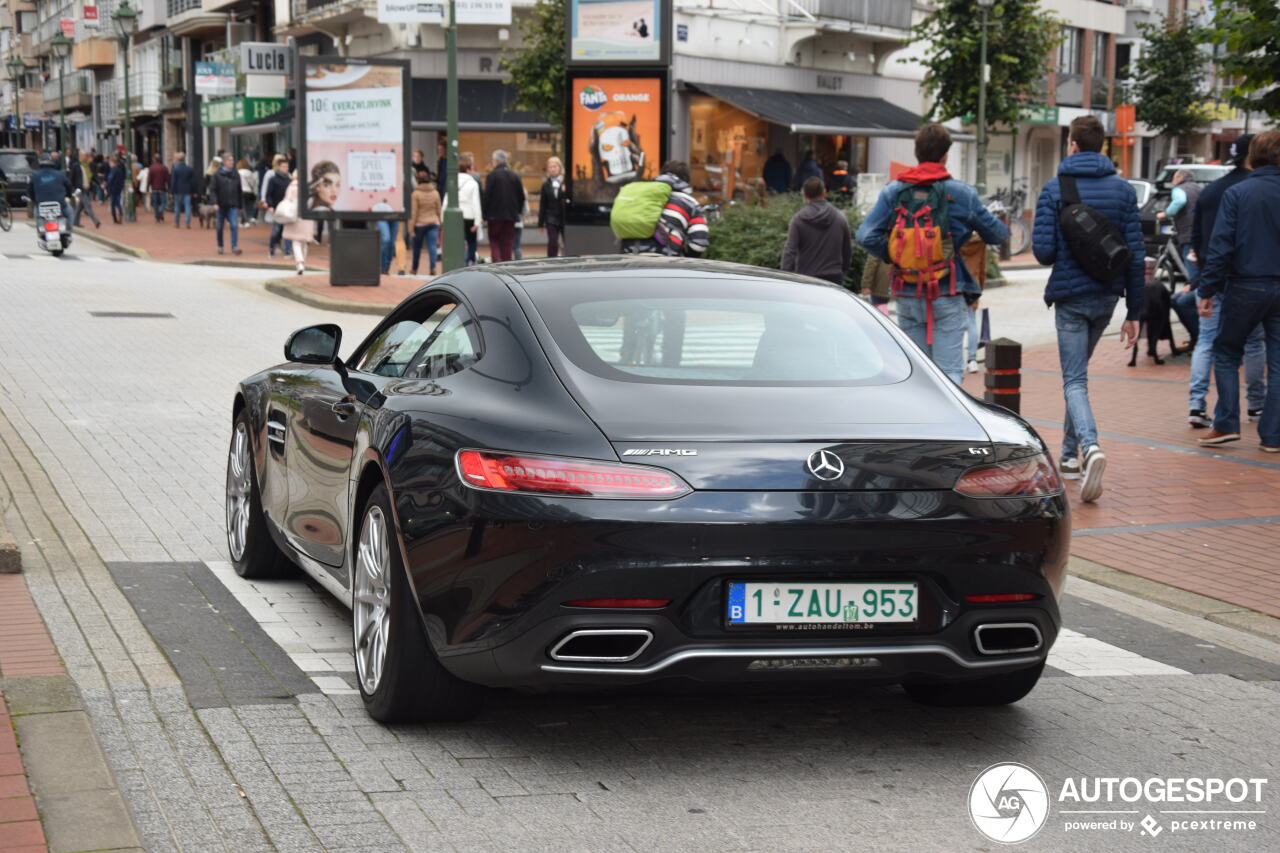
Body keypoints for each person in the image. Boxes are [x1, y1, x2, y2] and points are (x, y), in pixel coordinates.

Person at [1030, 114, 1144, 501]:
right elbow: (1134, 252)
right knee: (1076, 378)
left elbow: (1043, 252)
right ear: (1103, 146)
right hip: (1106, 297)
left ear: (1073, 145)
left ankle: (1090, 447)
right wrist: (1135, 312)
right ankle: (1067, 458)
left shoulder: (1054, 188)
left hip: (1070, 298)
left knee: (1074, 380)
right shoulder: (1124, 191)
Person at [856, 124, 1008, 385]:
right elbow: (999, 235)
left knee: (918, 375)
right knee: (948, 372)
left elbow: (865, 235)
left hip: (906, 290)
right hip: (946, 290)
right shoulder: (962, 193)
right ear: (945, 155)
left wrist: (896, 256)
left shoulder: (894, 192)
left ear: (917, 153)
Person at [1195, 130, 1280, 452]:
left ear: (1252, 157)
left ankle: (1226, 423)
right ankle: (1273, 436)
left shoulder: (1239, 193)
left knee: (1227, 352)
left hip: (1246, 284)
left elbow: (1221, 245)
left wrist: (1208, 288)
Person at [1186, 135, 1265, 429]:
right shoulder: (1252, 190)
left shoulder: (1211, 191)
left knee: (1206, 341)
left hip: (1211, 276)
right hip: (1245, 278)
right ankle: (1256, 404)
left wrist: (1204, 278)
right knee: (1253, 343)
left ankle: (1196, 405)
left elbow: (1195, 236)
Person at [619, 160, 710, 257]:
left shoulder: (641, 195)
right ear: (686, 180)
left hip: (630, 257)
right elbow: (699, 244)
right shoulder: (689, 202)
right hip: (665, 263)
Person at [1158, 169, 1203, 345]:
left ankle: (1198, 335)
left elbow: (1180, 201)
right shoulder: (1199, 189)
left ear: (1180, 178)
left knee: (1192, 283)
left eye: (1174, 177)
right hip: (1200, 237)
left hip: (1188, 237)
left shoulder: (1180, 189)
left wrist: (1165, 213)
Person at [780, 176, 851, 285]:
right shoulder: (839, 217)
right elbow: (847, 249)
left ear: (804, 195)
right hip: (834, 277)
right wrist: (844, 270)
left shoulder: (798, 219)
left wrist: (783, 274)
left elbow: (790, 250)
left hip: (806, 277)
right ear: (824, 192)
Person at [483, 149, 524, 262]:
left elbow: (487, 197)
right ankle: (506, 264)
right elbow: (521, 196)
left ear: (495, 161)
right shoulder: (515, 176)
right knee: (507, 242)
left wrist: (485, 214)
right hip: (510, 216)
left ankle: (497, 264)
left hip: (494, 216)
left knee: (494, 240)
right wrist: (518, 212)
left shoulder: (491, 176)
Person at [30, 154, 74, 233]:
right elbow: (69, 185)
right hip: (59, 204)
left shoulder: (35, 175)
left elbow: (30, 190)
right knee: (70, 213)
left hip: (41, 205)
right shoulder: (59, 174)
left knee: (37, 214)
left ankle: (41, 230)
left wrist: (34, 200)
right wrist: (69, 195)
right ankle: (69, 231)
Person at [281, 173, 313, 275]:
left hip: (293, 215)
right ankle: (303, 261)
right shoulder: (309, 187)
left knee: (296, 241)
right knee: (304, 240)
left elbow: (286, 200)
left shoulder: (291, 186)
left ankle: (299, 263)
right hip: (307, 215)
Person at [211, 154, 243, 255]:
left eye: (232, 160)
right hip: (220, 205)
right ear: (224, 162)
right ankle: (220, 246)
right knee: (220, 226)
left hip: (232, 205)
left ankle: (234, 246)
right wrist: (215, 203)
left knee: (234, 225)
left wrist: (240, 205)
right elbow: (212, 190)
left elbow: (239, 190)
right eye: (230, 161)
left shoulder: (235, 174)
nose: (232, 162)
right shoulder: (217, 174)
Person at [409, 173, 441, 275]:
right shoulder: (435, 193)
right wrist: (440, 222)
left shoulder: (415, 194)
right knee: (432, 246)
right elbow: (439, 210)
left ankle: (414, 269)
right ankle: (433, 268)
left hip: (420, 224)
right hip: (433, 222)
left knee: (417, 248)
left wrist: (410, 229)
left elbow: (413, 212)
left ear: (418, 181)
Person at [455, 152, 483, 265]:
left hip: (457, 216)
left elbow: (446, 199)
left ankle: (462, 262)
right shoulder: (473, 183)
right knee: (471, 242)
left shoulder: (452, 180)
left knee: (459, 241)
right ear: (468, 169)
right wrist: (477, 221)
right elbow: (476, 203)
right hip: (469, 216)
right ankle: (468, 262)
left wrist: (443, 217)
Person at [538, 156, 567, 258]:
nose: (552, 169)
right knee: (553, 242)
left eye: (554, 166)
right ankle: (551, 261)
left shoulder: (566, 182)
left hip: (565, 217)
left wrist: (564, 191)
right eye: (550, 167)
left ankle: (570, 262)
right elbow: (543, 204)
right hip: (551, 218)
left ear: (559, 168)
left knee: (568, 242)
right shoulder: (545, 185)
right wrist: (540, 223)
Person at [263, 155, 292, 257]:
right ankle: (272, 248)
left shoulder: (289, 180)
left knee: (288, 229)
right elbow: (269, 194)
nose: (286, 169)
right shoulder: (273, 179)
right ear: (279, 167)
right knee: (276, 230)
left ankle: (287, 250)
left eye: (287, 167)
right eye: (284, 166)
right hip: (277, 208)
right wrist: (270, 206)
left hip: (287, 208)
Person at [71, 151, 101, 229]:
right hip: (79, 189)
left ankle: (75, 222)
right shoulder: (76, 166)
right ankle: (96, 221)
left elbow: (92, 176)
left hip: (87, 189)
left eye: (87, 156)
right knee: (88, 206)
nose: (87, 158)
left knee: (80, 207)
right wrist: (72, 189)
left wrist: (99, 183)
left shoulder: (88, 166)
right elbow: (71, 178)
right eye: (85, 156)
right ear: (81, 157)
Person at [170, 151, 195, 229]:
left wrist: (171, 191)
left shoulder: (175, 169)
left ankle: (177, 223)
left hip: (178, 190)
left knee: (177, 207)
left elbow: (173, 181)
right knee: (188, 206)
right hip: (187, 190)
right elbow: (193, 181)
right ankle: (187, 223)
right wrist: (194, 191)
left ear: (177, 160)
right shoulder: (189, 169)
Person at [146, 153, 170, 223]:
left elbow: (149, 179)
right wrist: (169, 187)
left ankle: (157, 216)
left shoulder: (151, 168)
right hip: (162, 188)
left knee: (156, 203)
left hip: (154, 188)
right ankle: (160, 213)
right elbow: (167, 179)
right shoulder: (164, 168)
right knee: (163, 202)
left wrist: (147, 187)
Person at [237, 158, 258, 225]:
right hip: (249, 191)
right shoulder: (249, 173)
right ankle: (249, 218)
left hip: (241, 191)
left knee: (242, 206)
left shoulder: (238, 172)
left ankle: (244, 220)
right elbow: (253, 183)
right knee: (249, 206)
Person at [106, 155, 126, 223]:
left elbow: (110, 180)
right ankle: (120, 214)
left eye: (110, 163)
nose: (109, 165)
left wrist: (109, 188)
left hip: (113, 190)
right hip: (118, 189)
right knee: (118, 203)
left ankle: (115, 218)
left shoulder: (114, 170)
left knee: (113, 204)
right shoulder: (119, 170)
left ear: (112, 163)